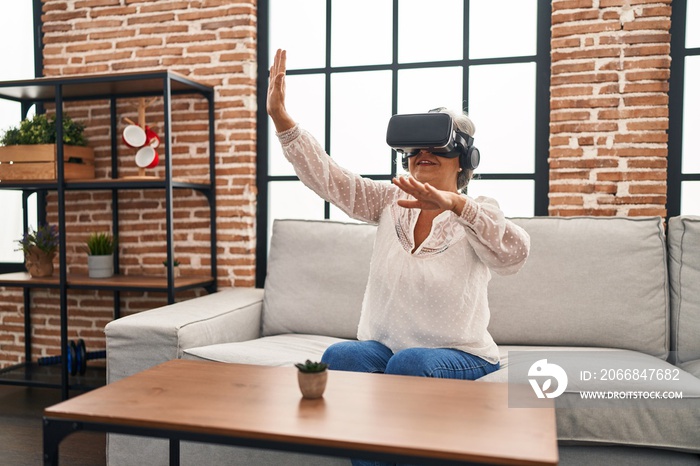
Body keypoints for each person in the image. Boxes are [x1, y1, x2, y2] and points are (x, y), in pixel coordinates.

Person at [267, 48, 530, 464]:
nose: (423, 153)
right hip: (387, 349)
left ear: (464, 159)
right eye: (415, 148)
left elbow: (513, 255)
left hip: (461, 355)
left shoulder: (478, 211)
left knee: (411, 364)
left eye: (437, 147)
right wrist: (282, 118)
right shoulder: (389, 201)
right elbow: (330, 178)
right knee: (341, 356)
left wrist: (457, 206)